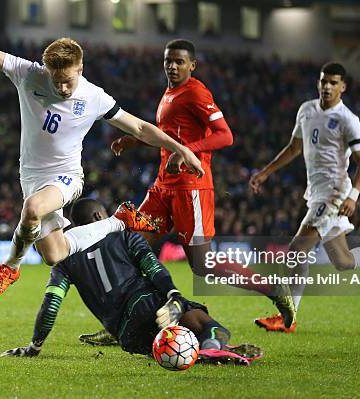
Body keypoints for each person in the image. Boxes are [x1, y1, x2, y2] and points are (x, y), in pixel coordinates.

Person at [0, 19, 205, 298]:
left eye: (67, 80)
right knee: (54, 253)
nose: (62, 88)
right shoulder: (29, 74)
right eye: (56, 81)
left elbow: (141, 128)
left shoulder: (94, 96)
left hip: (67, 176)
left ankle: (10, 266)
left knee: (33, 208)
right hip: (31, 176)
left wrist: (181, 149)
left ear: (80, 69)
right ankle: (120, 219)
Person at [79, 39, 294, 345]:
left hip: (190, 188)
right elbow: (169, 135)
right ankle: (123, 324)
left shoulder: (195, 91)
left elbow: (225, 136)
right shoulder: (169, 93)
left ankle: (272, 288)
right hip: (162, 187)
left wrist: (186, 151)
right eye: (169, 61)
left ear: (192, 65)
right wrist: (135, 142)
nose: (173, 66)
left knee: (202, 265)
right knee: (129, 248)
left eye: (180, 61)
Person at [249, 62, 360, 333]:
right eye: (323, 81)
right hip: (316, 193)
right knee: (343, 261)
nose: (327, 87)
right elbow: (295, 147)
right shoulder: (306, 110)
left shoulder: (348, 119)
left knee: (297, 251)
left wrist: (353, 196)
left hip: (333, 194)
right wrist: (266, 172)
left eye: (333, 83)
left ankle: (288, 318)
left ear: (343, 87)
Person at [0, 199, 261, 365]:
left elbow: (52, 304)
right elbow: (153, 267)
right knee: (209, 324)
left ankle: (198, 350)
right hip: (148, 304)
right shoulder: (123, 235)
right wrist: (173, 294)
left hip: (126, 336)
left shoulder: (65, 258)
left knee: (167, 341)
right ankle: (213, 346)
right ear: (99, 218)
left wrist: (34, 346)